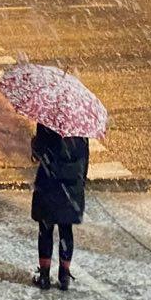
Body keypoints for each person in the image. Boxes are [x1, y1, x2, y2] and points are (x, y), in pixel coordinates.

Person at [30, 122, 88, 290]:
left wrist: (34, 144)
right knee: (66, 229)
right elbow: (85, 158)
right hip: (71, 183)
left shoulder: (47, 122)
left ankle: (44, 276)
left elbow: (39, 152)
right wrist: (79, 183)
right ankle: (64, 275)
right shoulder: (81, 126)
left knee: (45, 229)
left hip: (49, 182)